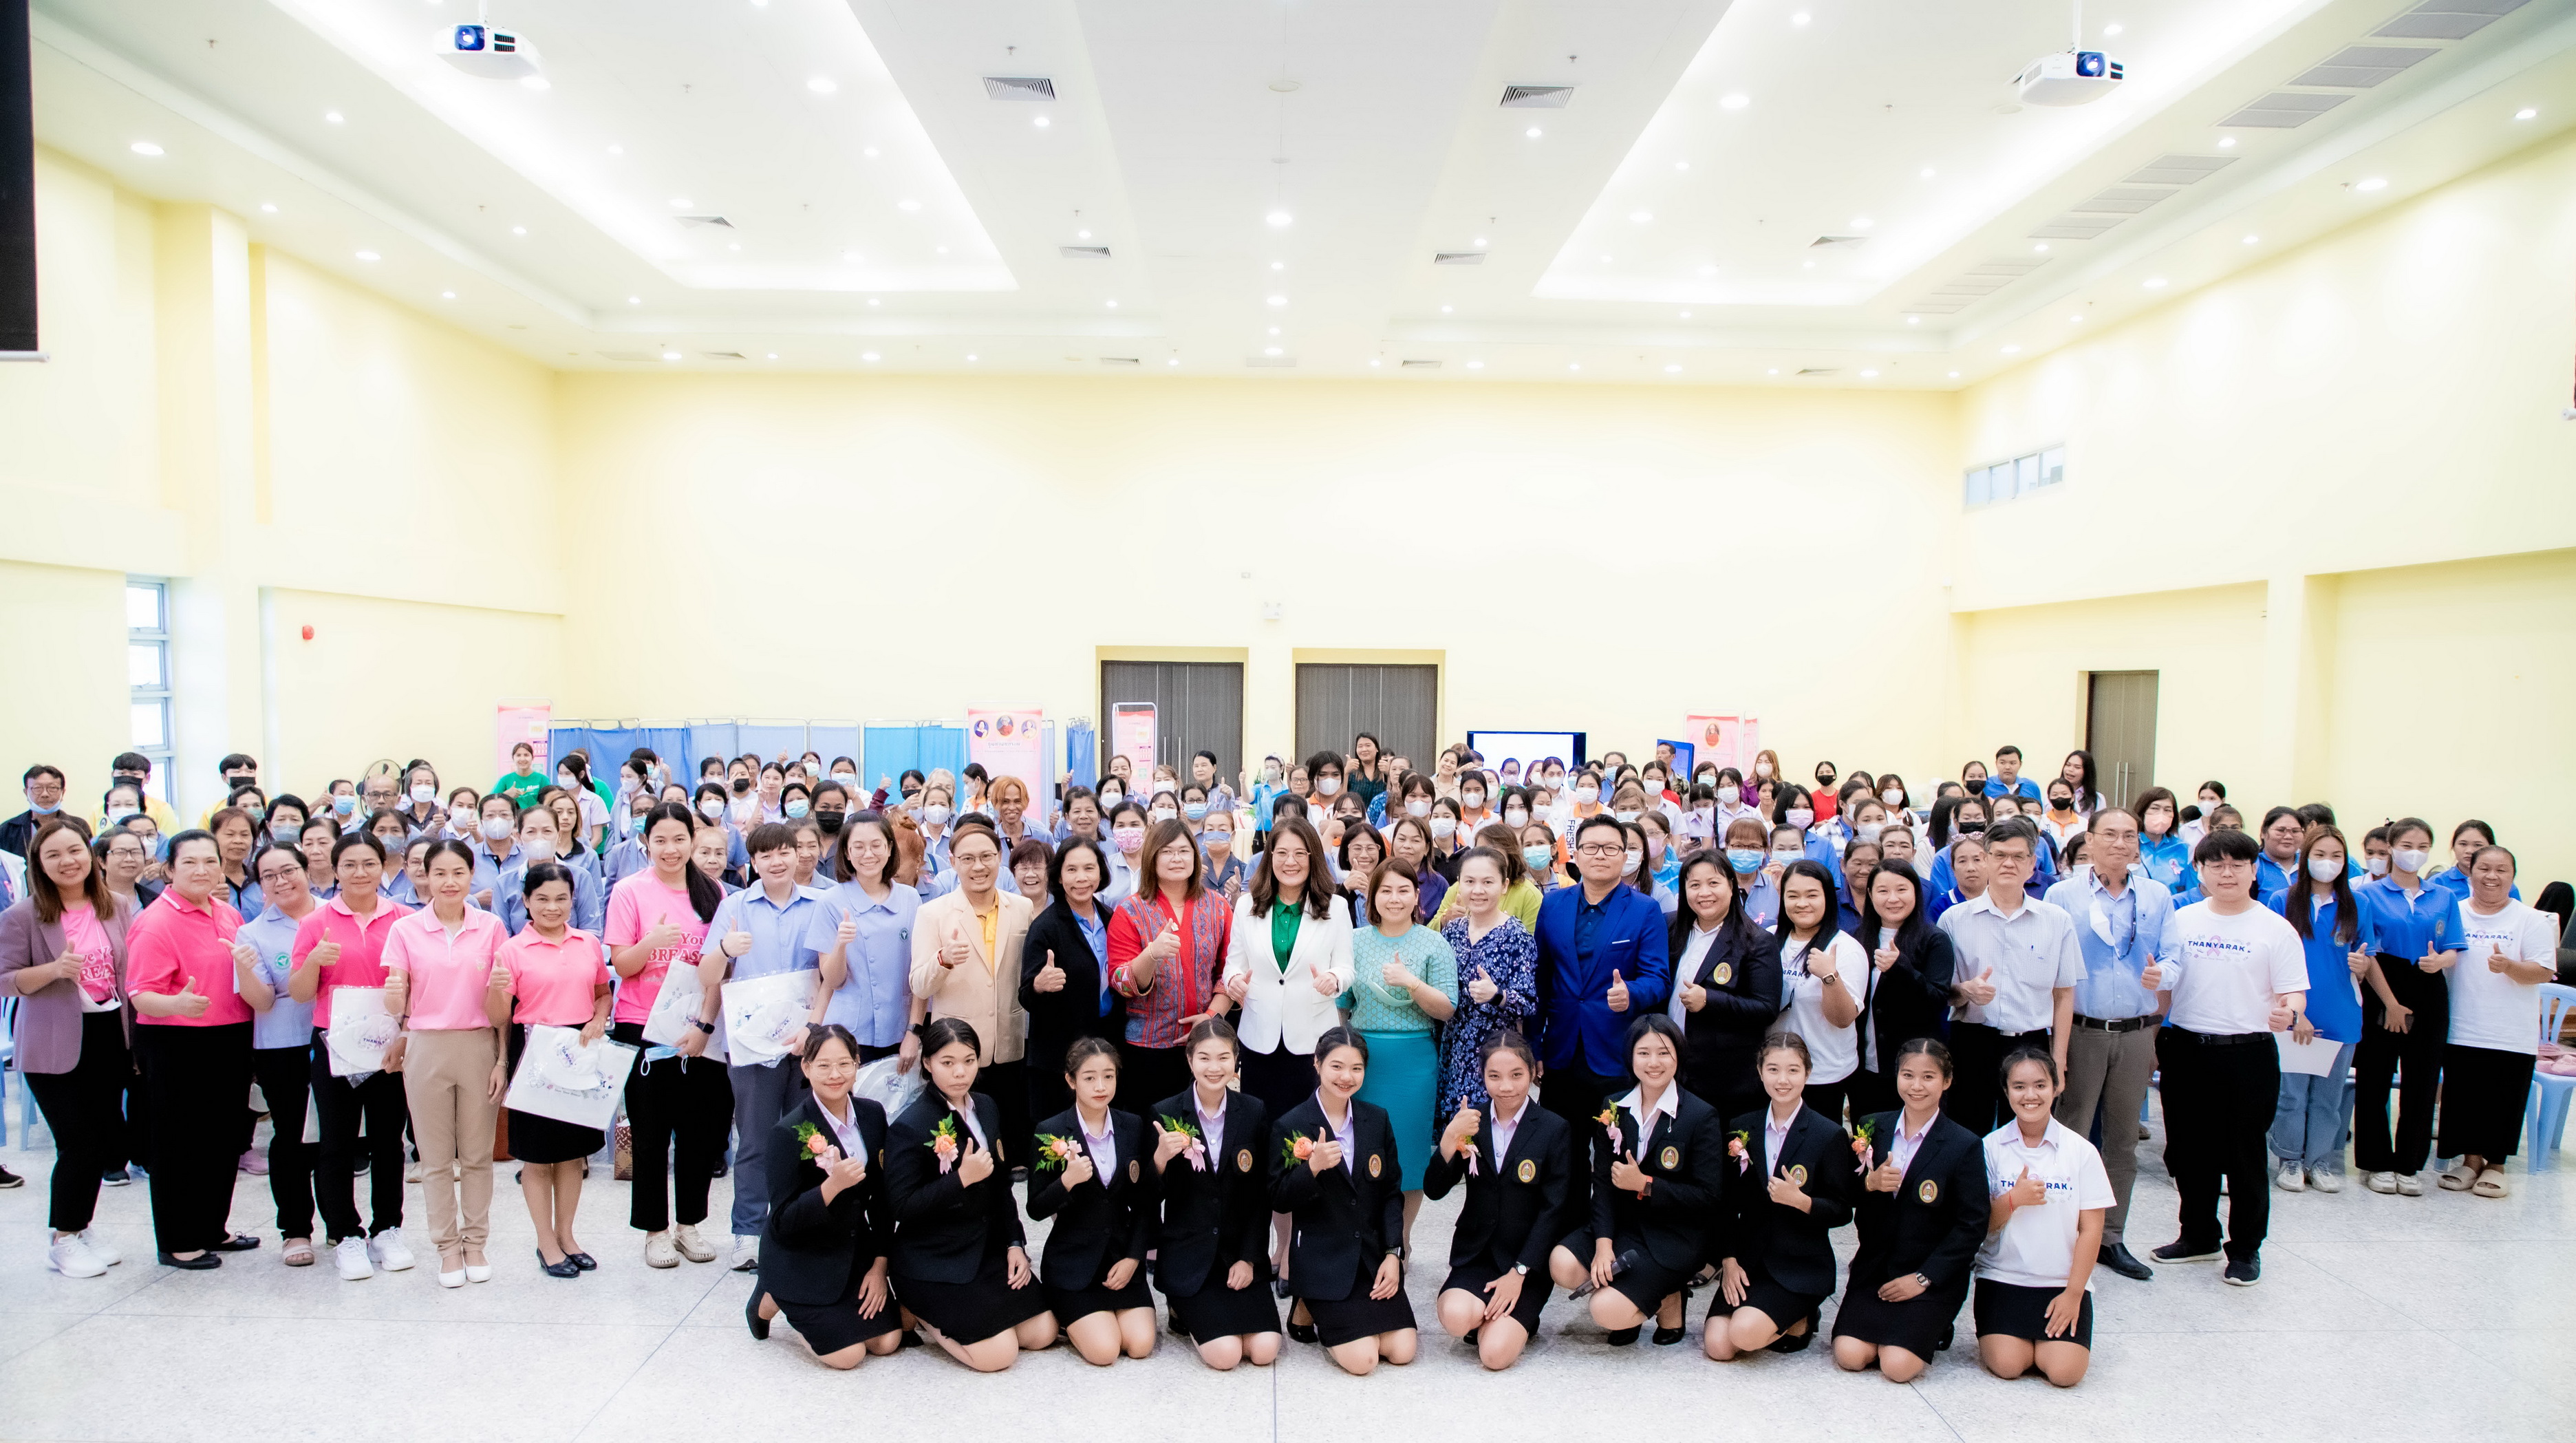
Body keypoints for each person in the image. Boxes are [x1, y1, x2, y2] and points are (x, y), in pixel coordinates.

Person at [2147, 827, 2308, 1285]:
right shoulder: (2182, 920)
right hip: (2186, 1048)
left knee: (2245, 1155)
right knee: (2188, 1149)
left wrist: (2289, 1012)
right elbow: (2166, 986)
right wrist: (2152, 1035)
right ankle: (2198, 1235)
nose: (2227, 873)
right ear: (2199, 870)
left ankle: (2246, 1248)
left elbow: (2294, 992)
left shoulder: (2275, 928)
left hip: (2248, 1052)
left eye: (2238, 864)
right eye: (2216, 864)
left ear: (2255, 870)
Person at [2032, 806, 2171, 1282]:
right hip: (2082, 1030)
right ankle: (2060, 1231)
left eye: (2129, 836)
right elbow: (2052, 969)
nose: (2119, 843)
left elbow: (2173, 957)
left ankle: (2110, 1236)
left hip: (2136, 1030)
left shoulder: (2157, 895)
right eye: (2109, 834)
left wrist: (2163, 976)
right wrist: (2058, 1048)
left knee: (2123, 1140)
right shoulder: (2062, 894)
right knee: (2069, 1133)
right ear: (2089, 839)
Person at [2, 818, 141, 1276]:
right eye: (54, 855)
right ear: (39, 865)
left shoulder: (116, 905)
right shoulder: (22, 916)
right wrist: (54, 969)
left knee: (102, 1143)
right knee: (77, 1143)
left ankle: (80, 1226)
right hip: (53, 1043)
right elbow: (5, 979)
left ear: (91, 856)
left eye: (75, 850)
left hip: (109, 1034)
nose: (68, 861)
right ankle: (63, 1237)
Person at [122, 829, 259, 1268]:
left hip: (230, 1037)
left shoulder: (227, 913)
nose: (202, 870)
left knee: (222, 1139)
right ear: (169, 869)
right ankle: (178, 1240)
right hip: (177, 1041)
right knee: (179, 1142)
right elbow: (141, 995)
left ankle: (212, 1227)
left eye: (210, 861)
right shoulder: (156, 921)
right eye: (190, 862)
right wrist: (177, 1005)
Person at [886, 1016, 1056, 1370]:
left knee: (1043, 1332)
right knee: (999, 1356)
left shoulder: (987, 1106)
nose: (960, 1073)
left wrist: (1015, 1244)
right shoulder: (910, 1125)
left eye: (969, 1060)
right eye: (947, 1063)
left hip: (984, 1250)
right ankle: (918, 1309)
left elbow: (1002, 1187)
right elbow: (902, 1206)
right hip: (934, 1259)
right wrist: (960, 1179)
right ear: (927, 1063)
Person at [605, 802, 733, 1269]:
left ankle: (689, 1224)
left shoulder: (714, 891)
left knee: (700, 1133)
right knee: (650, 1133)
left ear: (692, 840)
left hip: (699, 1028)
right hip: (643, 1027)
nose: (671, 849)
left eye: (679, 839)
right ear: (646, 842)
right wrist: (651, 943)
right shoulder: (629, 891)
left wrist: (704, 1026)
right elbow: (622, 965)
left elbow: (722, 969)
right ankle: (655, 1231)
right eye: (660, 840)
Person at [380, 839, 509, 1288]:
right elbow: (396, 1002)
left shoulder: (491, 927)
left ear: (472, 875)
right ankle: (447, 1248)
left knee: (477, 1155)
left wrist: (502, 1060)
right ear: (425, 875)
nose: (449, 882)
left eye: (458, 872)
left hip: (478, 1046)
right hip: (426, 1047)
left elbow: (502, 1007)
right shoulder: (405, 930)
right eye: (440, 873)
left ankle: (476, 1243)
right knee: (434, 1160)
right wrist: (394, 1000)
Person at [289, 831, 417, 1281]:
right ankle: (345, 1233)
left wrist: (406, 1029)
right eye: (350, 864)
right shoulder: (315, 922)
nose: (360, 873)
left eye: (369, 863)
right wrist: (314, 961)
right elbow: (299, 992)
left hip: (389, 1043)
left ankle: (387, 1228)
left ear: (383, 867)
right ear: (335, 869)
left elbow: (418, 985)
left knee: (388, 1140)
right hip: (334, 1044)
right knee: (336, 1142)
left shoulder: (403, 920)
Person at [700, 823, 828, 1270]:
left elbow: (831, 975)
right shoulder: (735, 906)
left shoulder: (820, 904)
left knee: (806, 1139)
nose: (776, 861)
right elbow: (707, 975)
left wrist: (813, 1028)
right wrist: (724, 948)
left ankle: (797, 1226)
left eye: (784, 852)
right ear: (752, 862)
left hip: (806, 1041)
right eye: (765, 855)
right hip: (751, 1045)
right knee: (754, 1140)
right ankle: (748, 1232)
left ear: (798, 854)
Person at [1531, 815, 1673, 1203]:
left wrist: (1632, 993)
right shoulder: (1553, 904)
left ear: (1625, 856)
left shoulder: (1644, 909)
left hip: (1616, 1050)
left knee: (1617, 1153)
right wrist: (1535, 1045)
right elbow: (1541, 980)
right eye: (1591, 847)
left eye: (1611, 848)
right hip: (1562, 1050)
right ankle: (1568, 1231)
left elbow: (1658, 978)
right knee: (1564, 1155)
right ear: (1575, 855)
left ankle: (1612, 1231)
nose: (1600, 855)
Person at [745, 1025, 904, 1367]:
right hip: (801, 1253)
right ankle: (772, 1295)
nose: (835, 1075)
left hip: (851, 1245)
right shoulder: (788, 1132)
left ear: (857, 1063)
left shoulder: (873, 1114)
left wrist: (880, 1266)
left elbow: (882, 1198)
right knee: (848, 1356)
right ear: (806, 1067)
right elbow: (782, 1220)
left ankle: (788, 1296)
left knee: (887, 1342)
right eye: (824, 1065)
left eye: (845, 1064)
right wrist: (831, 1187)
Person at [1833, 1037, 1988, 1382]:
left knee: (1897, 1366)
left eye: (1928, 1077)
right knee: (1850, 1355)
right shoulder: (1872, 1127)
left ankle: (1936, 1322)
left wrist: (1924, 1278)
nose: (1916, 1086)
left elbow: (1972, 1225)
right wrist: (1870, 1183)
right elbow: (1843, 1191)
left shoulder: (1964, 1144)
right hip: (1875, 1269)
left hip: (1928, 1275)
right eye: (1908, 1075)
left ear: (1947, 1081)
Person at [1424, 1029, 1575, 1370]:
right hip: (1476, 1254)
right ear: (1483, 1076)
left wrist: (1520, 1271)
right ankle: (1484, 1316)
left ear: (1533, 1073)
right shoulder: (1471, 1122)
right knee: (1457, 1319)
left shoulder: (1554, 1128)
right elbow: (1434, 1190)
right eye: (1495, 1076)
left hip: (1525, 1262)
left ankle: (1512, 1320)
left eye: (1516, 1075)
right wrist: (1450, 1138)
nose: (1506, 1086)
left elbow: (1554, 1210)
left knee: (1494, 1356)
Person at [1270, 1027, 1417, 1374]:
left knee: (1402, 1350)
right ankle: (1308, 1302)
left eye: (1356, 1068)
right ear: (1317, 1064)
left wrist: (1393, 1254)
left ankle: (1313, 1309)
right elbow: (1278, 1197)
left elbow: (1391, 1194)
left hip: (1371, 1256)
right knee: (1363, 1360)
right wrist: (1313, 1168)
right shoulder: (1291, 1124)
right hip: (1323, 1259)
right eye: (1336, 1066)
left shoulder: (1377, 1119)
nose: (1346, 1077)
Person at [497, 861, 613, 1277]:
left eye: (561, 898)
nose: (552, 907)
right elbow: (499, 1016)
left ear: (573, 900)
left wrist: (599, 1018)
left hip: (578, 1051)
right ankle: (545, 1242)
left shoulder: (588, 943)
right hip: (534, 1051)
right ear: (526, 902)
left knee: (571, 1154)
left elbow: (602, 993)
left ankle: (567, 1236)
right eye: (542, 899)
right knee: (536, 1157)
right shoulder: (512, 950)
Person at [1708, 1030, 1853, 1358]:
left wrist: (1803, 1202)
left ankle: (1803, 1314)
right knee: (1718, 1346)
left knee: (1743, 1334)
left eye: (1793, 1070)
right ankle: (1780, 1316)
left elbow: (1843, 1210)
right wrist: (1728, 1260)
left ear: (1808, 1073)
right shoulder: (1741, 1127)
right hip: (1749, 1259)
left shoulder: (1828, 1134)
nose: (1782, 1080)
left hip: (1799, 1262)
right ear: (1760, 1072)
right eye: (1773, 1069)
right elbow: (1726, 1203)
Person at [1148, 1018, 1282, 1369]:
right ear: (1189, 1060)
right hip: (1190, 1256)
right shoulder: (1165, 1113)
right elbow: (1147, 1198)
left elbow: (1261, 1195)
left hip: (1238, 1254)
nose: (1214, 1067)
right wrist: (1160, 1159)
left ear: (1236, 1059)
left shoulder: (1253, 1111)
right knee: (1225, 1355)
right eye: (1204, 1058)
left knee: (1265, 1350)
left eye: (1223, 1057)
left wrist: (1249, 1258)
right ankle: (1181, 1305)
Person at [1975, 1048, 2112, 1387]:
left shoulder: (2081, 1151)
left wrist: (2074, 1294)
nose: (2030, 1095)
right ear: (2006, 1091)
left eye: (2040, 1085)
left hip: (2061, 1282)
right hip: (2003, 1278)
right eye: (2019, 1087)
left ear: (2056, 1087)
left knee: (2064, 1373)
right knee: (2008, 1365)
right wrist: (2013, 1200)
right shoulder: (1989, 1148)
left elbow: (2092, 1229)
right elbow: (1979, 1225)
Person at [1340, 860, 1458, 1250]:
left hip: (1413, 1059)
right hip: (1364, 1059)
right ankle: (1364, 1233)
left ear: (1416, 895)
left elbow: (1447, 1008)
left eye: (1403, 890)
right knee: (1362, 1147)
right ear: (1372, 896)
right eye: (1385, 890)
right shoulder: (1355, 941)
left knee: (1409, 1153)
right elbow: (1343, 1003)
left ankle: (1401, 1239)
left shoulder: (1434, 943)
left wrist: (1411, 983)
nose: (1394, 898)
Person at [1936, 819, 2078, 1134]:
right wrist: (1966, 990)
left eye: (2018, 856)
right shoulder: (1954, 919)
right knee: (1969, 1132)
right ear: (1986, 859)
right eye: (1999, 855)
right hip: (1973, 1040)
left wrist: (2058, 1059)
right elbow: (1945, 992)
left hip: (2032, 1041)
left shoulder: (2057, 921)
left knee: (2027, 1134)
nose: (2008, 863)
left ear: (2032, 864)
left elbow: (2064, 993)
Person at [911, 820, 1038, 1169]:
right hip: (959, 1047)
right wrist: (942, 960)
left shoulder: (1022, 908)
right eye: (968, 859)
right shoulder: (932, 913)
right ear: (953, 862)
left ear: (1000, 858)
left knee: (1007, 1138)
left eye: (986, 857)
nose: (978, 866)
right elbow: (919, 985)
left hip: (1009, 1039)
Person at [2350, 817, 2465, 1196]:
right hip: (2384, 983)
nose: (2414, 854)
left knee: (2423, 1078)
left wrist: (2440, 961)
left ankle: (2409, 1164)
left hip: (2429, 986)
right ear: (2391, 848)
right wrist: (2392, 1004)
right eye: (2407, 846)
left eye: (2422, 847)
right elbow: (2368, 952)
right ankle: (2376, 1161)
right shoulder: (2368, 895)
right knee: (2375, 1077)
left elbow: (2454, 948)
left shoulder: (2443, 896)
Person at [1026, 1038, 1159, 1365]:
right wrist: (1067, 1181)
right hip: (1073, 1263)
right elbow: (1036, 1209)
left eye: (1108, 1076)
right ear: (1071, 1080)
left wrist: (1134, 1258)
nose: (1101, 1086)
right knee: (1105, 1351)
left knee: (1140, 1346)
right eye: (1089, 1078)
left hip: (1121, 1258)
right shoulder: (1051, 1130)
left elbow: (1146, 1202)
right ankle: (1068, 1317)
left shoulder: (1132, 1125)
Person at [2438, 845, 2556, 1196]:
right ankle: (2470, 1161)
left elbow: (2543, 971)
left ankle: (2497, 1165)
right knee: (2464, 1097)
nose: (2492, 876)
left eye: (2501, 870)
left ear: (2513, 876)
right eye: (2484, 869)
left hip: (2510, 1029)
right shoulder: (2454, 912)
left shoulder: (2530, 919)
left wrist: (2510, 967)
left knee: (2504, 1098)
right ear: (2470, 873)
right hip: (2461, 1025)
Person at [2265, 824, 2375, 1197]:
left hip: (2342, 1015)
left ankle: (2320, 1161)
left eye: (2336, 856)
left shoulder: (2358, 904)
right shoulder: (2282, 900)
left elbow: (2366, 957)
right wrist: (2297, 1012)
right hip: (2294, 1015)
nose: (2328, 862)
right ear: (2305, 857)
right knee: (2292, 1095)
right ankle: (2290, 1159)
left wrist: (2363, 966)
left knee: (2329, 1099)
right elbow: (2272, 963)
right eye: (2320, 854)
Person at [1107, 818, 1234, 1113]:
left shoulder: (1218, 906)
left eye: (1184, 851)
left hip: (1206, 1047)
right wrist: (1151, 954)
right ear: (1152, 857)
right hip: (1148, 1049)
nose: (1177, 858)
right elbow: (1121, 982)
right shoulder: (1130, 910)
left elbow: (1231, 971)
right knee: (1153, 1128)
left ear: (1195, 856)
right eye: (1166, 851)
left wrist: (1211, 1018)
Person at [233, 843, 319, 1265]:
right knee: (291, 1138)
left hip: (340, 1039)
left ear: (307, 870)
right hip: (282, 1045)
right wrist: (244, 967)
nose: (281, 881)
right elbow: (263, 1000)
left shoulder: (334, 914)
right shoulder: (253, 933)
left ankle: (344, 1226)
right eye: (269, 876)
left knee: (336, 1138)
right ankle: (295, 1230)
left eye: (288, 871)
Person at [1667, 852, 1785, 1119]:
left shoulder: (1756, 941)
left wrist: (1709, 1000)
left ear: (1731, 886)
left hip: (1726, 1078)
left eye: (1713, 883)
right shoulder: (1671, 927)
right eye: (1694, 885)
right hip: (1672, 1069)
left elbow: (1766, 1009)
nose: (1704, 893)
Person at [804, 813, 923, 1068]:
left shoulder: (910, 899)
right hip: (850, 1033)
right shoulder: (830, 902)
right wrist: (840, 945)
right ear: (847, 853)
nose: (868, 854)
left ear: (889, 848)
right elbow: (833, 981)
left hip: (901, 1028)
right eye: (858, 847)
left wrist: (914, 1031)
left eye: (876, 845)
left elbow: (920, 974)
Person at [1020, 837, 1124, 1129]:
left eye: (1089, 868)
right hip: (1059, 1056)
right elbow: (1025, 995)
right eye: (1072, 870)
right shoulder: (1045, 927)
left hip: (1106, 1043)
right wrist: (1039, 985)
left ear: (1101, 872)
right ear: (1058, 876)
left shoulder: (1111, 918)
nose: (1081, 878)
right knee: (1060, 1139)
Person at [1435, 848, 1537, 1122]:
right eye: (1470, 881)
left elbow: (1529, 1003)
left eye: (1488, 882)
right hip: (1455, 1048)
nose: (1478, 890)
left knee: (1488, 1130)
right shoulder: (1452, 932)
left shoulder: (1516, 936)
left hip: (1496, 1054)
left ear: (1504, 886)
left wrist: (1498, 995)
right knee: (1456, 1131)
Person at [1854, 859, 1958, 1120]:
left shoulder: (1934, 939)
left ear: (1916, 892)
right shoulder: (1856, 938)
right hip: (1863, 1066)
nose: (1893, 899)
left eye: (1902, 890)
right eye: (1883, 891)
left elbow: (1937, 1000)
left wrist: (1901, 968)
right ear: (1870, 894)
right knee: (1867, 1134)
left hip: (1914, 1069)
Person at [1774, 861, 1867, 1121]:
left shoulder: (1846, 949)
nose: (1802, 903)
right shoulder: (1768, 940)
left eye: (1812, 895)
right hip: (1775, 1072)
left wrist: (1830, 977)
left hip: (1823, 1074)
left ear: (1828, 897)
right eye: (1793, 896)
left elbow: (1843, 1019)